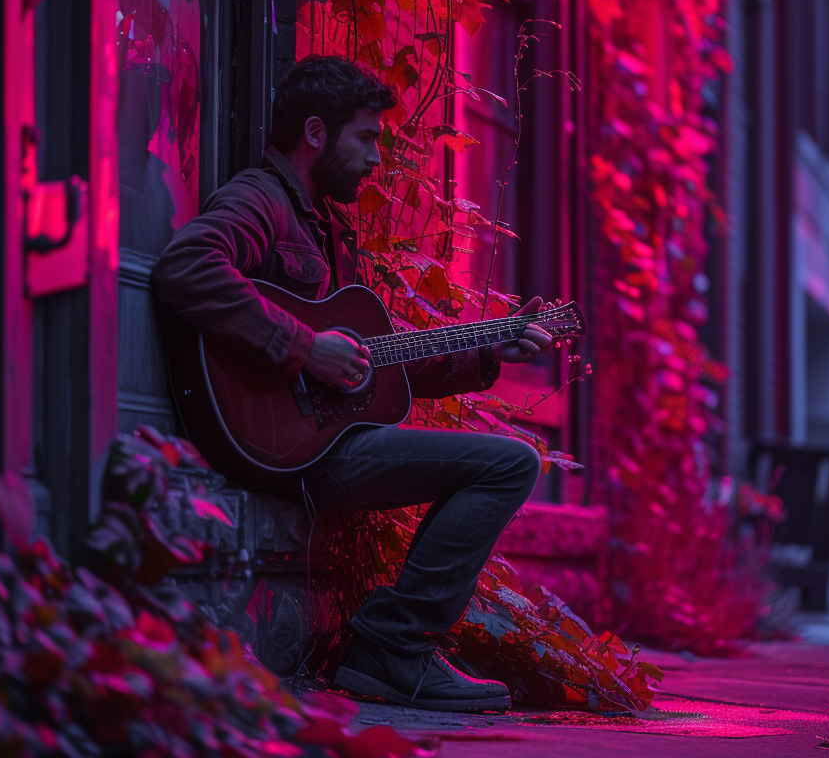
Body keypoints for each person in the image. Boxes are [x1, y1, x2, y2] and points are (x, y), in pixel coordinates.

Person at [151, 54, 552, 713]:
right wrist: (303, 349)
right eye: (365, 138)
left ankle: (390, 650)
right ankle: (393, 648)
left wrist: (489, 349)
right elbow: (187, 267)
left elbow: (378, 357)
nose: (375, 158)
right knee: (509, 463)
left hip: (320, 440)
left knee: (504, 460)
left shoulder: (330, 224)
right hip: (288, 444)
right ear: (315, 132)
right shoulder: (262, 200)